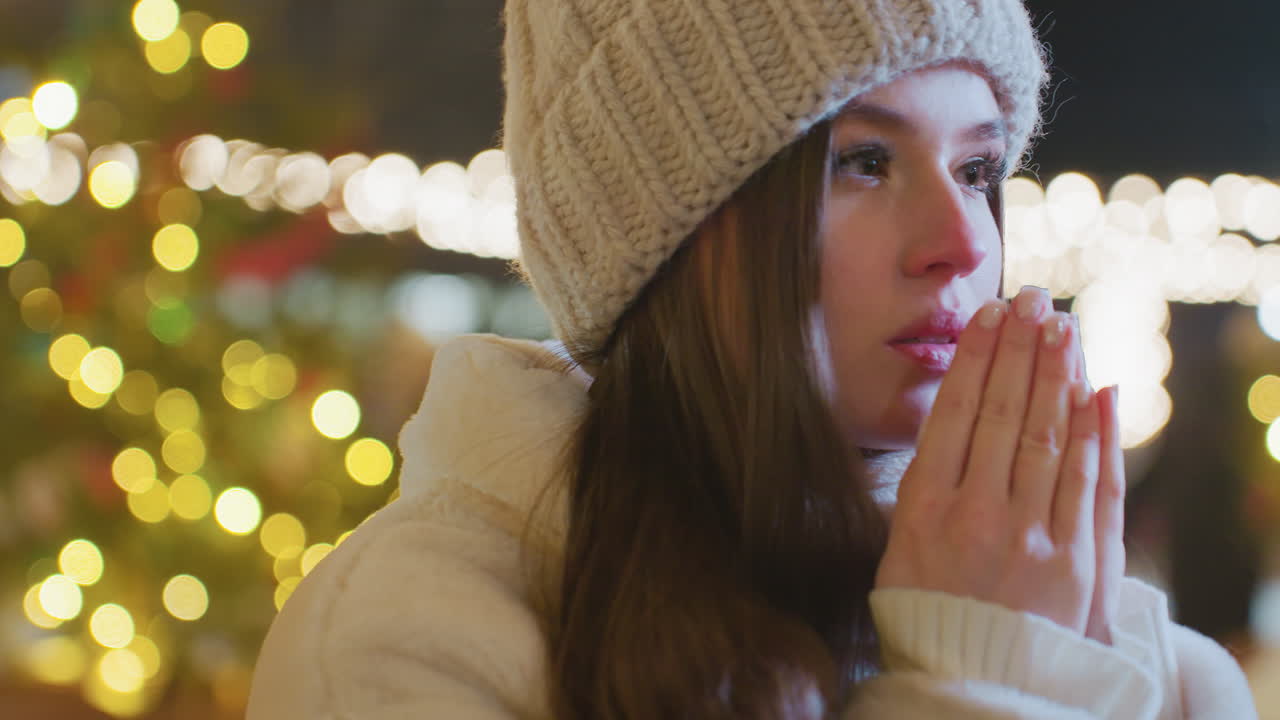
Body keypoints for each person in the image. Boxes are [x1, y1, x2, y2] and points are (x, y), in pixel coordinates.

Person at [246, 0, 1259, 717]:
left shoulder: (1152, 677)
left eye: (978, 167)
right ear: (664, 231)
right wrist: (982, 681)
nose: (959, 241)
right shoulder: (409, 640)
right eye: (860, 161)